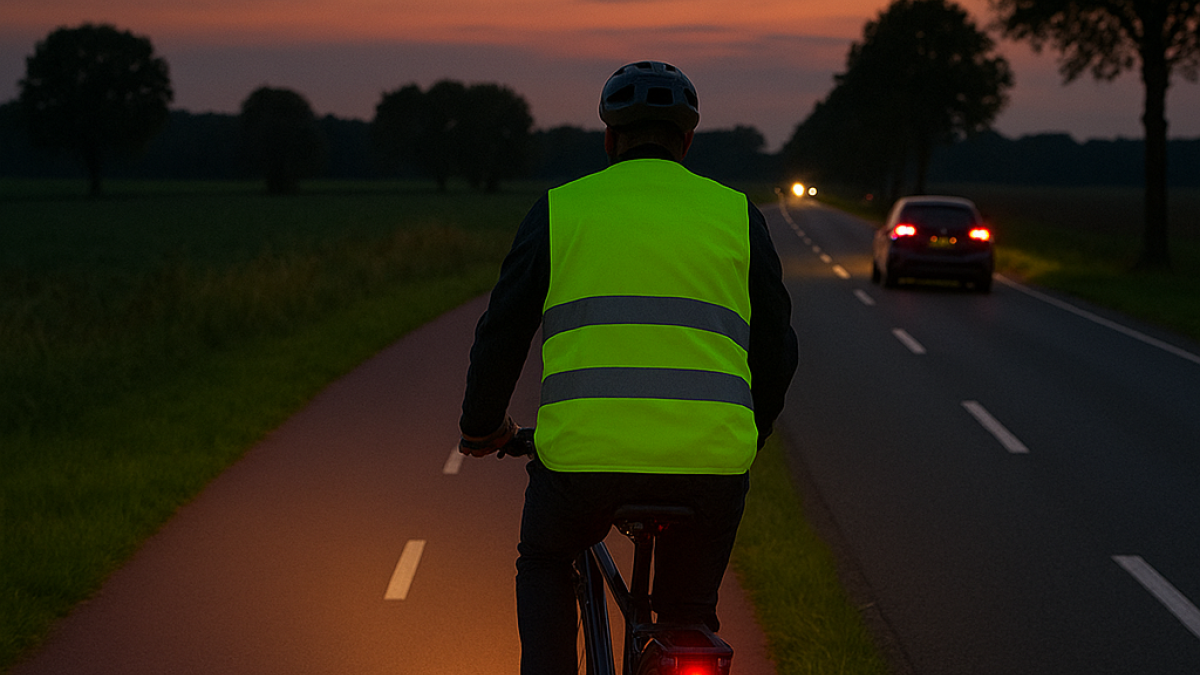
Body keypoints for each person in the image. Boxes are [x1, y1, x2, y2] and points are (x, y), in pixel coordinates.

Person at [458, 60, 798, 674]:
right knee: (688, 623)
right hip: (709, 470)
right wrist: (751, 432)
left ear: (609, 138)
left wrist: (483, 427)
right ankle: (687, 637)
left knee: (545, 558)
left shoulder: (562, 210)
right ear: (688, 141)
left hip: (581, 471)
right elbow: (777, 348)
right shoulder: (737, 216)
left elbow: (503, 331)